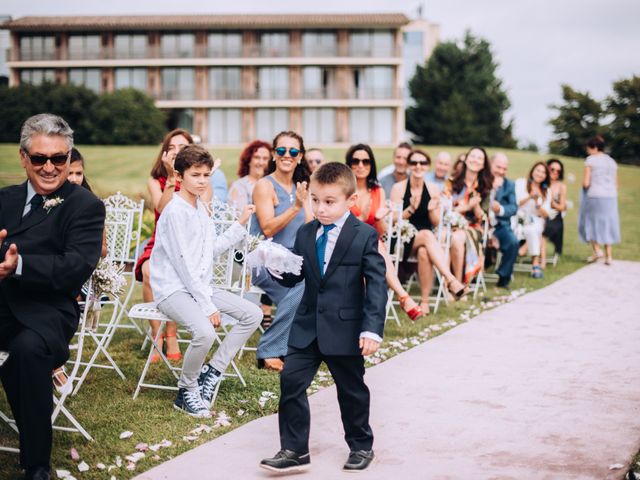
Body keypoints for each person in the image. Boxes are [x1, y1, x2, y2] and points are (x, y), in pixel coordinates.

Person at [259, 162, 387, 474]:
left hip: (345, 328)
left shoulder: (364, 236)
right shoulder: (305, 233)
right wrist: (277, 266)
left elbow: (377, 286)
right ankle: (294, 450)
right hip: (306, 326)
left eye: (329, 202)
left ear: (350, 201)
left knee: (351, 390)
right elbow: (300, 275)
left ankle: (361, 446)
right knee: (291, 382)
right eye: (315, 200)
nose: (321, 208)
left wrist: (371, 329)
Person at [0, 113, 105, 480]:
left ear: (69, 156)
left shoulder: (85, 205)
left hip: (46, 311)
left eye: (59, 159)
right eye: (40, 158)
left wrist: (19, 266)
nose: (49, 167)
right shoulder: (4, 199)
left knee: (28, 353)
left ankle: (36, 465)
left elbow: (74, 266)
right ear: (24, 158)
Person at [150, 145, 261, 417]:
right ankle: (186, 390)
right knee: (205, 333)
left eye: (206, 175)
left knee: (252, 314)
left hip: (198, 286)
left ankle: (212, 372)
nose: (202, 181)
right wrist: (207, 305)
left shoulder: (200, 208)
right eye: (196, 175)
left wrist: (240, 223)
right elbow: (183, 263)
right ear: (179, 176)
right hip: (173, 289)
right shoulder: (175, 212)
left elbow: (208, 250)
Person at [135, 129, 212, 363]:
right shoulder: (156, 180)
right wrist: (171, 178)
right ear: (165, 151)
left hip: (189, 243)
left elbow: (204, 210)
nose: (177, 151)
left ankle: (172, 334)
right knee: (149, 271)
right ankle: (156, 333)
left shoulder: (198, 178)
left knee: (179, 276)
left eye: (183, 147)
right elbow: (161, 208)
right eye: (173, 147)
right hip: (160, 239)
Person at [251, 131, 313, 371]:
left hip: (293, 260)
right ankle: (269, 349)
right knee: (304, 289)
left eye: (293, 152)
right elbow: (267, 228)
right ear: (274, 155)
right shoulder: (264, 185)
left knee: (319, 281)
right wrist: (296, 206)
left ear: (300, 157)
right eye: (281, 151)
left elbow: (309, 226)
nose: (287, 155)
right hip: (264, 259)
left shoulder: (301, 187)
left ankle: (292, 346)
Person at [346, 143, 423, 320]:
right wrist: (364, 217)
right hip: (347, 241)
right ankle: (403, 295)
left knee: (375, 243)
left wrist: (380, 218)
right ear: (349, 164)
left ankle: (397, 298)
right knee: (374, 245)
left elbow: (382, 231)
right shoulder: (343, 189)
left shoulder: (377, 190)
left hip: (372, 244)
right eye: (355, 161)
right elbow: (341, 223)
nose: (360, 165)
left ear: (371, 165)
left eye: (366, 161)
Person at [390, 149, 467, 314]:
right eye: (414, 162)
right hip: (403, 238)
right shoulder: (399, 188)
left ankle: (424, 302)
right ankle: (451, 279)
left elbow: (436, 222)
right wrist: (411, 208)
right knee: (426, 235)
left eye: (422, 163)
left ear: (427, 166)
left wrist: (432, 210)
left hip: (425, 239)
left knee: (425, 251)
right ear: (409, 165)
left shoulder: (432, 188)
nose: (418, 166)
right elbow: (393, 220)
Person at [446, 146, 493, 285]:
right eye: (473, 156)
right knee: (447, 236)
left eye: (480, 158)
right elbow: (446, 209)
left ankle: (459, 284)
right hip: (449, 223)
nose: (475, 160)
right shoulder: (452, 182)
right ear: (466, 159)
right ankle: (447, 283)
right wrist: (467, 206)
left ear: (483, 164)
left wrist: (476, 205)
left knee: (457, 238)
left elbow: (482, 217)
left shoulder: (485, 187)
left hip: (473, 227)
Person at [579, 136, 620, 265]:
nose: (588, 151)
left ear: (595, 148)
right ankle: (609, 256)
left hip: (595, 195)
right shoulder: (611, 162)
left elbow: (586, 183)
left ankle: (597, 250)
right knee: (607, 224)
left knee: (590, 222)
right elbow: (616, 183)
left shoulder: (591, 160)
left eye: (589, 148)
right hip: (611, 197)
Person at [515, 162, 551, 278]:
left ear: (546, 176)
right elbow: (516, 203)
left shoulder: (546, 191)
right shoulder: (521, 183)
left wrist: (537, 203)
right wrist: (530, 196)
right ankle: (532, 262)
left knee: (533, 229)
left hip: (535, 219)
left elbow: (545, 214)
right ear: (532, 171)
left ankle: (535, 263)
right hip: (518, 216)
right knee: (530, 229)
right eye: (538, 170)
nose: (540, 174)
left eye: (543, 172)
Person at [489, 153, 518, 288]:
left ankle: (503, 277)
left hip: (499, 225)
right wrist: (492, 188)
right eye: (498, 167)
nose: (501, 171)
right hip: (480, 224)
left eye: (504, 169)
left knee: (513, 242)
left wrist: (500, 209)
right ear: (490, 164)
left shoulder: (509, 185)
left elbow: (513, 208)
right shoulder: (482, 179)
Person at [227, 140, 271, 212]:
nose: (261, 162)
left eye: (265, 158)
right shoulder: (239, 186)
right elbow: (240, 215)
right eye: (257, 157)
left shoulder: (272, 183)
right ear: (248, 160)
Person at [542, 158, 567, 264]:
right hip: (540, 213)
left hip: (554, 216)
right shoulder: (541, 182)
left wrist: (551, 202)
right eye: (552, 169)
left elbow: (562, 207)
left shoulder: (561, 186)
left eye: (558, 171)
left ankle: (541, 262)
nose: (555, 172)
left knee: (545, 228)